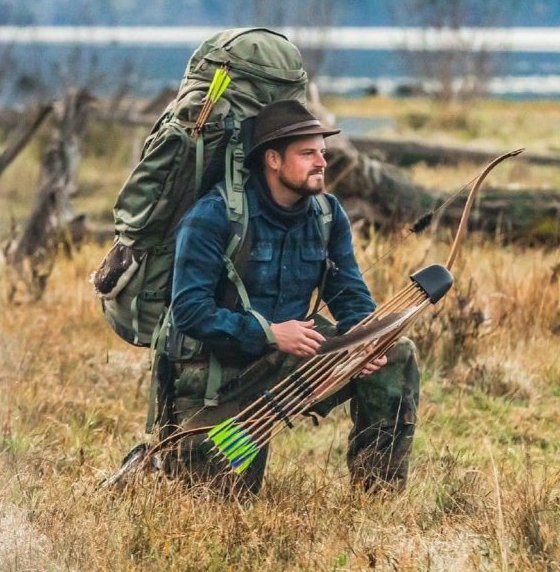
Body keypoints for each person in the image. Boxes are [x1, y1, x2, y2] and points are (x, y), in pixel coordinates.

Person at [156, 99, 420, 494]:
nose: (322, 162)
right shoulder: (214, 216)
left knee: (396, 357)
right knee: (216, 495)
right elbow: (190, 312)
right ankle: (160, 464)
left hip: (296, 360)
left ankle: (377, 492)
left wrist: (365, 342)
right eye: (307, 153)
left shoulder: (328, 214)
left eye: (323, 153)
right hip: (221, 374)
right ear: (273, 160)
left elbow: (349, 294)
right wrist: (269, 333)